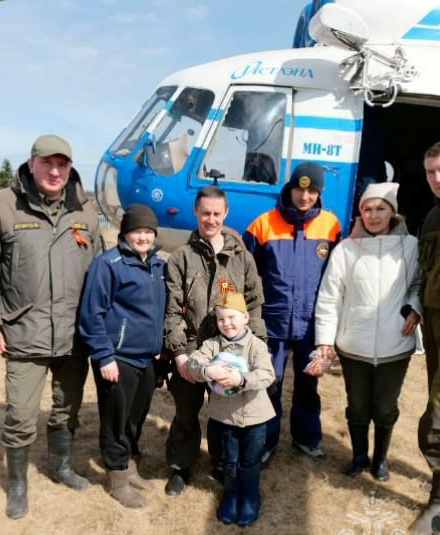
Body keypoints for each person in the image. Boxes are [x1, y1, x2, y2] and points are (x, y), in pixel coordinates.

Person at [0, 134, 102, 519]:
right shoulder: (1, 204)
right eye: (47, 163)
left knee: (66, 409)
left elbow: (101, 270)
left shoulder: (86, 209)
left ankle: (61, 466)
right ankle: (17, 484)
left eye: (62, 164)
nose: (55, 171)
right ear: (31, 164)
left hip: (74, 334)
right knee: (21, 415)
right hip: (23, 329)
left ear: (70, 168)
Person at [164, 185, 266, 496]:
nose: (211, 219)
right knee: (186, 411)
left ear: (226, 213)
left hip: (231, 352)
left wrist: (255, 346)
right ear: (196, 211)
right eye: (205, 213)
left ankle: (222, 463)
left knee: (226, 414)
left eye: (216, 214)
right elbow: (172, 309)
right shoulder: (180, 258)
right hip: (193, 351)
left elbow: (254, 303)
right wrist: (179, 353)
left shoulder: (241, 258)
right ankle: (181, 465)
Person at [315, 183, 421, 481]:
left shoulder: (410, 246)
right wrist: (325, 340)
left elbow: (418, 283)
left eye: (381, 208)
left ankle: (380, 459)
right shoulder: (346, 250)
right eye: (367, 209)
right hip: (354, 345)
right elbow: (330, 296)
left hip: (395, 344)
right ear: (360, 213)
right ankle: (359, 456)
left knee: (385, 408)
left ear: (393, 212)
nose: (374, 215)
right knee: (357, 406)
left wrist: (415, 308)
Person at [243, 162, 341, 462]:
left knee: (308, 384)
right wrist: (238, 311)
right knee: (269, 383)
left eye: (312, 191)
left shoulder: (332, 226)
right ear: (290, 188)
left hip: (312, 324)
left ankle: (306, 438)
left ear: (319, 193)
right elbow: (240, 272)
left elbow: (340, 276)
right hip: (272, 322)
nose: (305, 197)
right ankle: (265, 441)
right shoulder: (263, 224)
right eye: (300, 189)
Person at [79, 205, 166, 509]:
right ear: (125, 233)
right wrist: (104, 356)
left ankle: (129, 466)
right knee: (116, 419)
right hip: (118, 357)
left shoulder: (158, 265)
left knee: (135, 417)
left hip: (147, 357)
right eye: (137, 231)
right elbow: (92, 314)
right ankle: (117, 479)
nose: (143, 237)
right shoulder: (108, 265)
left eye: (148, 231)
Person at [187, 292, 275, 526]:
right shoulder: (212, 345)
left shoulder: (256, 346)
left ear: (245, 317)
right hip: (225, 417)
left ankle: (251, 496)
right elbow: (194, 362)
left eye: (232, 317)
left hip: (255, 417)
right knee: (230, 460)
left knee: (250, 461)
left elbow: (267, 374)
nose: (227, 323)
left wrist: (241, 379)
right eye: (221, 319)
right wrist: (207, 370)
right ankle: (232, 495)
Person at [410, 141, 440, 535]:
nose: (436, 178)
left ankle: (437, 501)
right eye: (431, 172)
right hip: (433, 322)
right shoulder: (432, 217)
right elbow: (424, 271)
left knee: (437, 414)